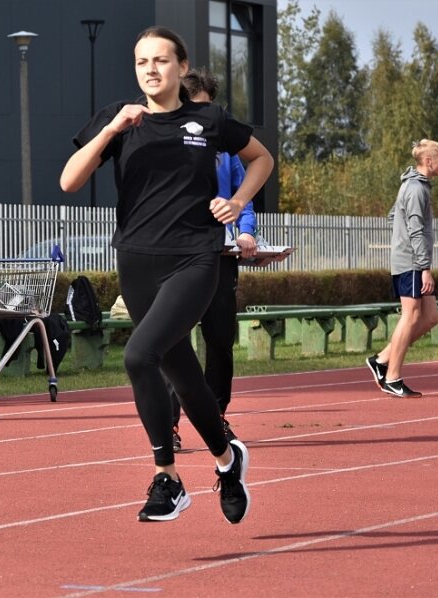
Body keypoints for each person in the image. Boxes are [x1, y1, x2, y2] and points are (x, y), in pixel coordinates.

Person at [60, 26, 273, 523]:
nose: (150, 70)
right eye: (141, 62)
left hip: (195, 258)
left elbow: (261, 158)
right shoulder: (121, 120)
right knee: (182, 372)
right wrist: (112, 129)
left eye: (160, 60)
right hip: (136, 261)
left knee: (140, 355)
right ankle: (227, 460)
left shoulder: (208, 119)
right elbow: (69, 180)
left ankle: (167, 476)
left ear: (180, 67)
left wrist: (238, 202)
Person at [170, 68, 259, 451]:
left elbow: (245, 194)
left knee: (220, 340)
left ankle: (217, 417)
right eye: (200, 108)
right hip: (177, 258)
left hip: (221, 257)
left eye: (212, 108)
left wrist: (247, 229)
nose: (208, 117)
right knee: (171, 341)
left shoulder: (225, 148)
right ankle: (168, 423)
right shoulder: (167, 142)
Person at [366, 139, 438, 398]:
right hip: (411, 262)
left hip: (413, 260)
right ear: (429, 161)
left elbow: (394, 215)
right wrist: (424, 267)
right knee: (410, 316)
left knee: (430, 316)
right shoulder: (415, 188)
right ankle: (392, 376)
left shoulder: (414, 187)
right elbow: (414, 228)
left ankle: (382, 359)